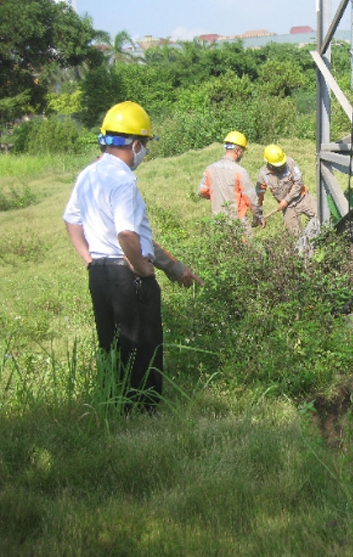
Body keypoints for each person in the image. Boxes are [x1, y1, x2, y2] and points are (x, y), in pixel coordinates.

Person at [63, 100, 202, 412]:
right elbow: (127, 235)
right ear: (136, 144)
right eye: (145, 145)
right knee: (144, 344)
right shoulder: (124, 179)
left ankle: (116, 404)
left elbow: (72, 220)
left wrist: (89, 259)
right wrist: (143, 270)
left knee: (112, 344)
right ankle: (144, 413)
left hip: (99, 273)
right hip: (128, 275)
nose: (144, 153)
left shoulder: (88, 174)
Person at [198, 131, 263, 236]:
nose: (242, 155)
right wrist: (259, 216)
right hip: (238, 222)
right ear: (237, 150)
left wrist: (216, 196)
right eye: (242, 151)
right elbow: (251, 198)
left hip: (218, 221)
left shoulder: (210, 169)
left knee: (223, 250)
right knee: (250, 250)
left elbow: (202, 191)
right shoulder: (240, 172)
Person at [255, 144, 317, 236]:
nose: (282, 167)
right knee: (295, 235)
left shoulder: (290, 162)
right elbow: (258, 197)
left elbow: (299, 183)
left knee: (322, 219)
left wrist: (286, 200)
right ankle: (305, 249)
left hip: (303, 198)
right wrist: (258, 215)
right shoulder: (263, 175)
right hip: (288, 208)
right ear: (270, 164)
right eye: (278, 166)